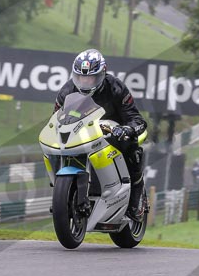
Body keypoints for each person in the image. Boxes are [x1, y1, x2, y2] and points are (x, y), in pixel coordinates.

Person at [53, 48, 147, 220]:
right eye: (81, 77)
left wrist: (128, 128)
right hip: (82, 133)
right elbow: (56, 118)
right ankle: (63, 193)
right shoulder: (67, 90)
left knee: (133, 147)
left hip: (113, 132)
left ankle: (136, 198)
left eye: (90, 77)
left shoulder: (116, 87)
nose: (85, 82)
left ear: (102, 74)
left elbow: (136, 118)